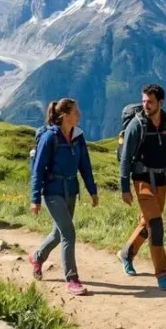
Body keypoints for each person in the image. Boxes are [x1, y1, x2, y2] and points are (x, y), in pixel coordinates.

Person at [117, 83, 166, 291]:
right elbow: (125, 159)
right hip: (141, 179)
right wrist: (124, 187)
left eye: (150, 102)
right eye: (143, 101)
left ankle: (126, 253)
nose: (146, 105)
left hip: (161, 180)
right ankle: (162, 274)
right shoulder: (136, 125)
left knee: (148, 223)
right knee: (156, 225)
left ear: (161, 102)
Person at [28, 98, 98, 296]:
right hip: (52, 191)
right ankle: (72, 279)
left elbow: (85, 165)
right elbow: (39, 170)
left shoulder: (78, 136)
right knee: (69, 233)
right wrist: (35, 198)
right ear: (65, 116)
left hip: (71, 190)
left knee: (59, 234)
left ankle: (37, 257)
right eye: (76, 112)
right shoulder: (49, 138)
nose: (80, 114)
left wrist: (92, 190)